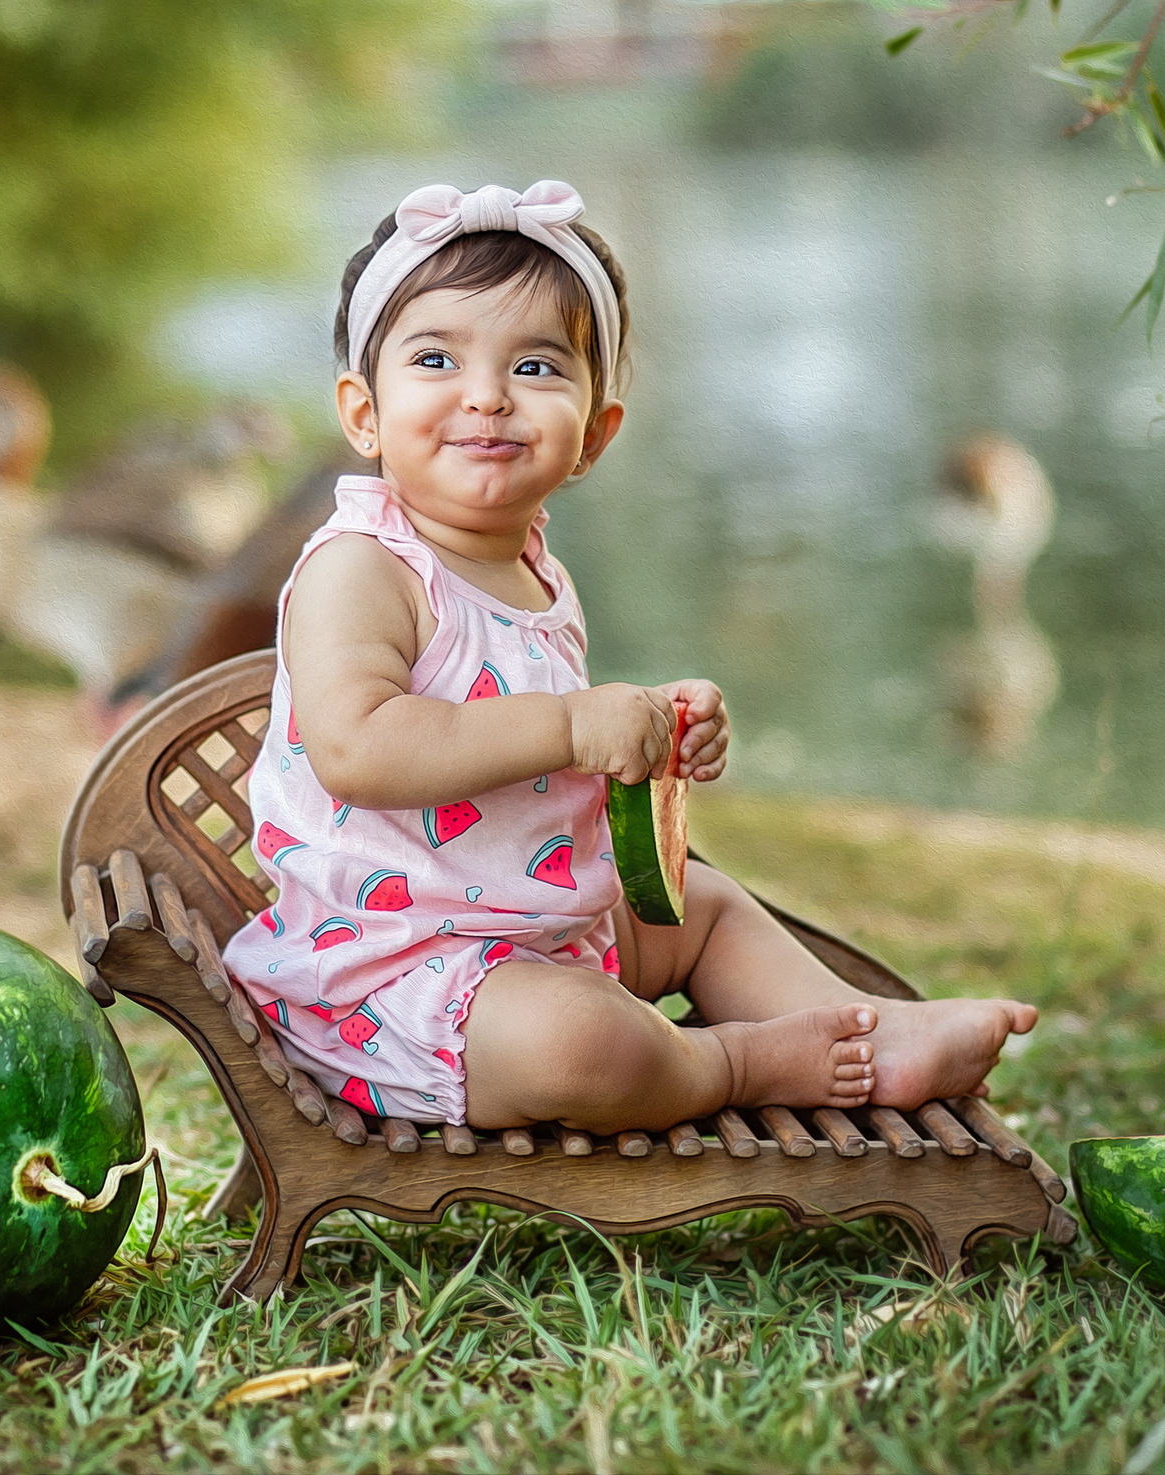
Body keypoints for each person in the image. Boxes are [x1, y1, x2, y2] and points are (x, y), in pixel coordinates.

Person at [219, 180, 1037, 1133]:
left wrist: (649, 726)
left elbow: (519, 747)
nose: (486, 394)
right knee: (584, 1044)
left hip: (536, 928)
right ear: (364, 413)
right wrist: (572, 721)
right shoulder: (362, 568)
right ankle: (734, 1062)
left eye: (535, 367)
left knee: (708, 910)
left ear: (594, 435)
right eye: (437, 358)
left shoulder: (531, 567)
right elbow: (359, 749)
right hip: (390, 976)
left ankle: (870, 1030)